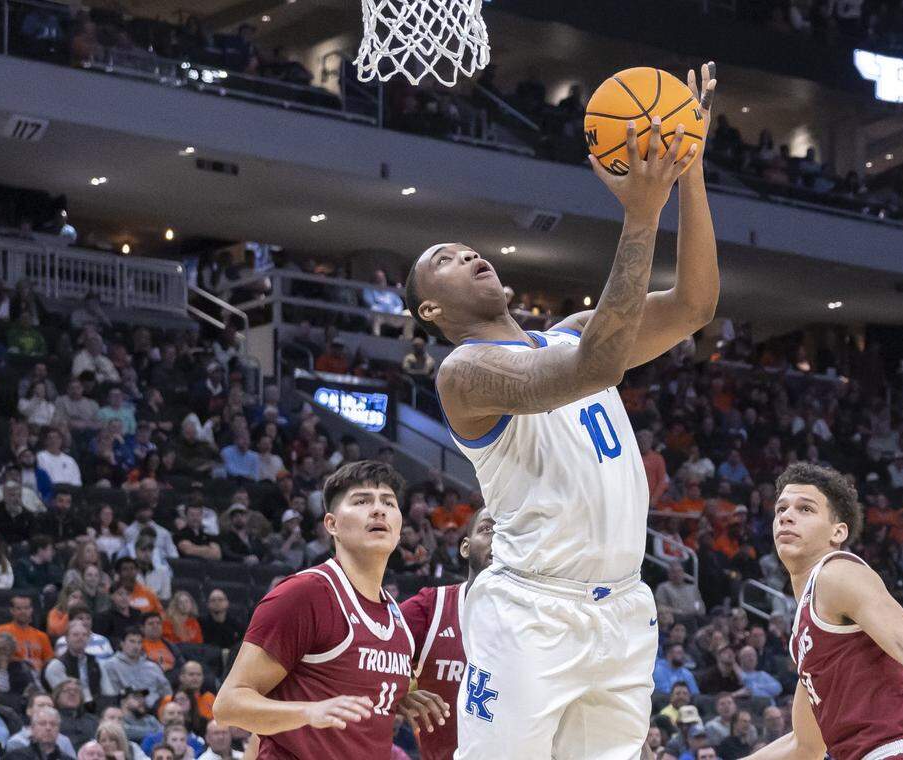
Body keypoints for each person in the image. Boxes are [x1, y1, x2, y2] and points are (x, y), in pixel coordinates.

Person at [403, 65, 719, 760]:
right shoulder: (466, 373)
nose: (469, 255)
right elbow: (594, 371)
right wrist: (641, 215)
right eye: (448, 261)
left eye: (470, 248)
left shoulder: (575, 328)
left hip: (623, 611)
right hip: (531, 614)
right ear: (433, 310)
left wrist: (686, 166)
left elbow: (695, 304)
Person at [740, 462, 903, 760]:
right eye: (781, 509)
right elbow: (806, 746)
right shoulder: (804, 629)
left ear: (837, 531)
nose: (787, 517)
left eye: (805, 509)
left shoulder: (837, 573)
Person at [213, 462, 415, 758]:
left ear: (399, 529)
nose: (378, 510)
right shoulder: (305, 594)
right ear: (331, 524)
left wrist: (404, 697)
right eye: (362, 501)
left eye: (388, 502)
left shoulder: (395, 615)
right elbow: (228, 705)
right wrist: (309, 712)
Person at [397, 509, 495, 760]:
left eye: (509, 532)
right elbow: (367, 649)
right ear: (465, 547)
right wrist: (399, 693)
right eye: (488, 529)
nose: (500, 539)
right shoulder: (432, 607)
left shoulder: (543, 621)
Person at [100, 628, 172, 710]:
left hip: (156, 710)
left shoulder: (152, 667)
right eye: (132, 641)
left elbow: (167, 692)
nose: (136, 646)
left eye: (139, 642)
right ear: (122, 643)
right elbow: (112, 697)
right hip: (128, 712)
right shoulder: (111, 665)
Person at [0, 598, 52, 673]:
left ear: (31, 610)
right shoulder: (3, 631)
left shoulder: (42, 636)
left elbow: (49, 661)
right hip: (15, 674)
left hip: (39, 676)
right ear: (12, 611)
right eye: (19, 608)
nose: (23, 611)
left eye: (26, 608)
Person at [1, 707, 72, 760]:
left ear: (59, 729)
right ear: (32, 728)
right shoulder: (15, 757)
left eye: (53, 724)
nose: (48, 728)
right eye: (42, 724)